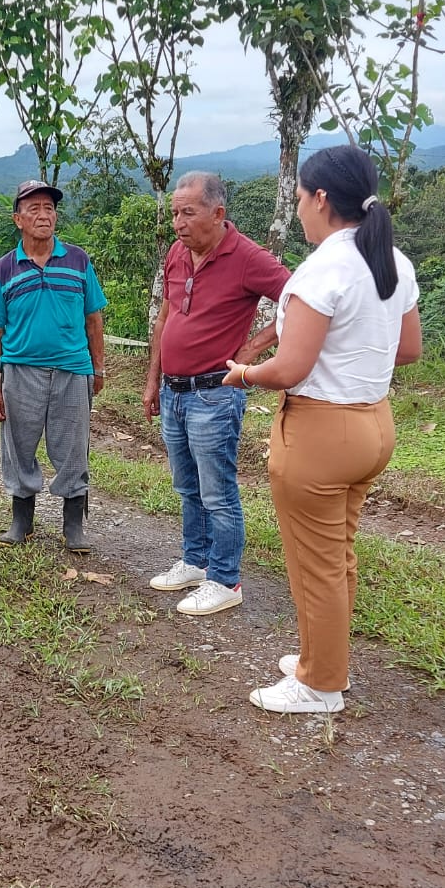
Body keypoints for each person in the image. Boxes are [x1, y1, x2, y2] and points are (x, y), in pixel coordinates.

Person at [225, 145, 421, 714]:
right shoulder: (393, 261)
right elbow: (408, 348)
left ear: (321, 198)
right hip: (373, 425)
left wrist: (243, 373)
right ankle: (325, 659)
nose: (298, 209)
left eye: (299, 198)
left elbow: (289, 368)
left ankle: (320, 684)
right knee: (336, 555)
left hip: (319, 434)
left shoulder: (322, 270)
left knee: (315, 565)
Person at [143, 171, 291, 615]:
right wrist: (153, 379)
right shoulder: (177, 252)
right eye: (175, 213)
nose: (178, 223)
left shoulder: (247, 257)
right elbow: (165, 316)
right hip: (174, 391)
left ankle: (226, 580)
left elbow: (299, 299)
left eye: (188, 213)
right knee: (187, 486)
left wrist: (253, 349)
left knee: (217, 492)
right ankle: (196, 561)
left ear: (217, 213)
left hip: (214, 394)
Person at [0, 180, 108, 552]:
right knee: (19, 447)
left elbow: (94, 320)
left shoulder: (78, 260)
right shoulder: (4, 268)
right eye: (34, 208)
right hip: (20, 371)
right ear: (18, 219)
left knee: (73, 449)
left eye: (49, 208)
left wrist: (98, 368)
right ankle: (21, 522)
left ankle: (73, 527)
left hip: (72, 369)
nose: (43, 215)